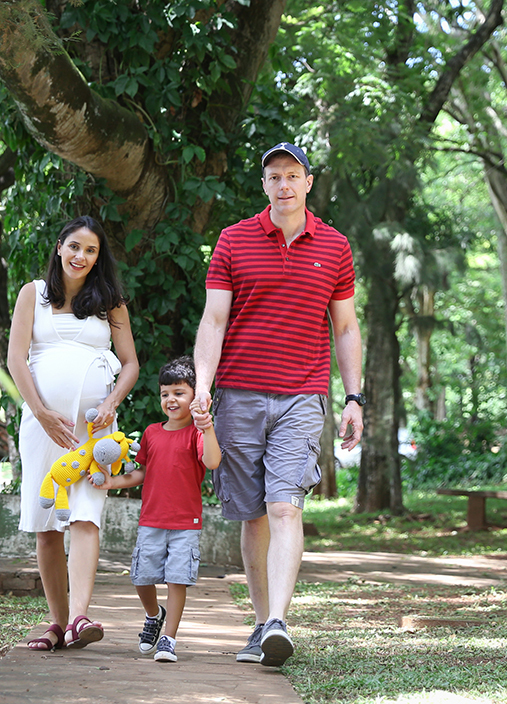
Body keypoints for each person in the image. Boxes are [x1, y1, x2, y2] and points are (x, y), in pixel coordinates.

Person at [193, 142, 363, 667]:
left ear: (308, 182)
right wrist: (203, 385)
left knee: (285, 504)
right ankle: (261, 622)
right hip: (239, 395)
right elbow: (214, 321)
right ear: (263, 185)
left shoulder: (334, 246)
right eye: (274, 176)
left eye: (293, 175)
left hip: (302, 396)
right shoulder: (233, 240)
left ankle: (277, 623)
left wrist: (354, 397)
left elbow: (347, 327)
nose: (284, 184)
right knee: (252, 516)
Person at [7, 215, 140, 651]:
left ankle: (80, 617)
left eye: (91, 250)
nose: (81, 256)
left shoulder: (110, 302)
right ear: (59, 246)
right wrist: (42, 412)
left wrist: (110, 404)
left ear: (98, 258)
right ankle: (56, 622)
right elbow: (16, 360)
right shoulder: (33, 294)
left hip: (93, 433)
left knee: (85, 513)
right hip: (42, 426)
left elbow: (131, 363)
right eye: (75, 246)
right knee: (47, 523)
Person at [96, 356, 221, 663]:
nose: (171, 399)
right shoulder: (151, 432)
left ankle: (169, 639)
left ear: (195, 396)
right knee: (141, 577)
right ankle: (154, 615)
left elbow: (213, 461)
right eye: (165, 393)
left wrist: (207, 427)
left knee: (177, 579)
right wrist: (112, 483)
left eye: (179, 393)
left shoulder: (197, 433)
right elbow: (142, 472)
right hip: (151, 520)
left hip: (185, 523)